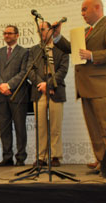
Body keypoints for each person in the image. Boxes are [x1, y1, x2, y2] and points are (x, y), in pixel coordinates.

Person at [53, 0, 106, 172]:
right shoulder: (87, 31)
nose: (82, 13)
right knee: (94, 129)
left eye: (85, 9)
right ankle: (103, 161)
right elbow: (72, 49)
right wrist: (56, 36)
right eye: (81, 10)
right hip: (88, 88)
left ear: (98, 7)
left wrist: (93, 55)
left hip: (105, 88)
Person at [28, 22, 69, 167]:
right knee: (41, 126)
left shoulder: (62, 49)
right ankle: (41, 157)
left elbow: (63, 70)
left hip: (56, 91)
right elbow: (30, 70)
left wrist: (50, 84)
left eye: (43, 30)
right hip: (39, 92)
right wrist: (42, 85)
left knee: (55, 126)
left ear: (51, 30)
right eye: (39, 31)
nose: (41, 33)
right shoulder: (34, 50)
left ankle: (55, 156)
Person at [0, 25, 29, 167]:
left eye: (10, 33)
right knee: (4, 128)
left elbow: (24, 72)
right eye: (5, 33)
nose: (7, 35)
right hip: (1, 96)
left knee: (20, 127)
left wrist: (9, 85)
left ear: (17, 35)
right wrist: (1, 84)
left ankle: (20, 158)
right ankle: (7, 157)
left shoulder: (24, 52)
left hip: (17, 95)